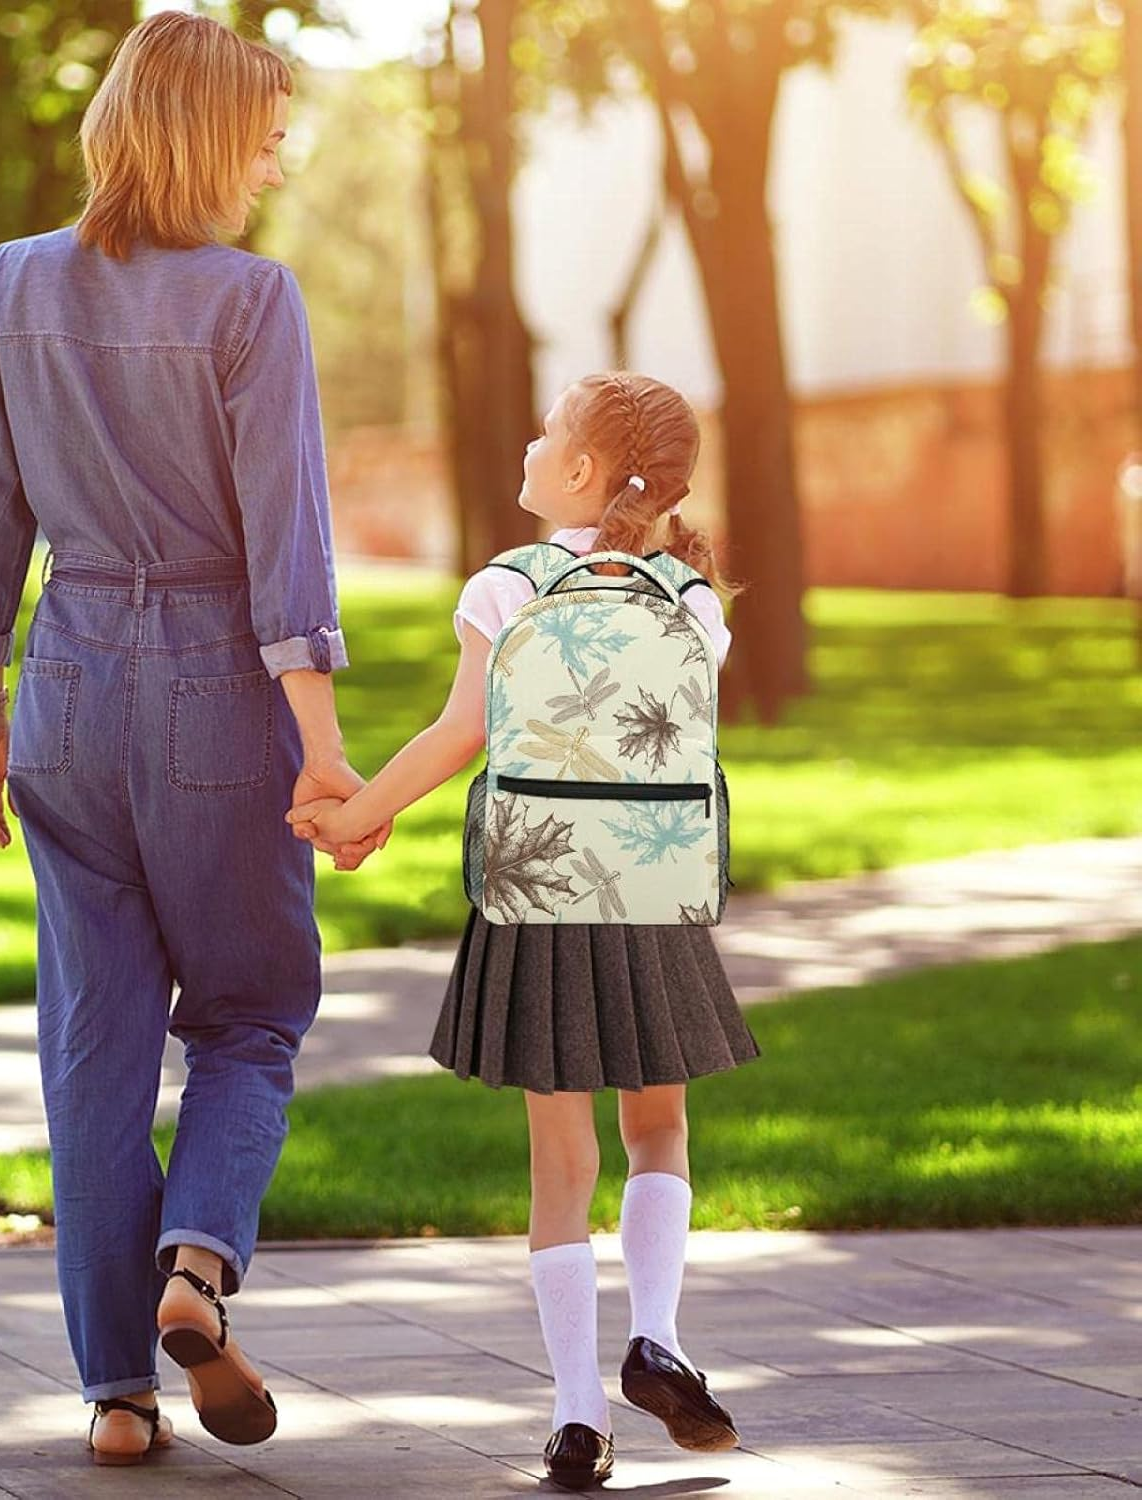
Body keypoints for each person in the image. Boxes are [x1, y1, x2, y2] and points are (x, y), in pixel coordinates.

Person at [0, 12, 386, 1467]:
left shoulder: (11, 284)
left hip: (64, 682)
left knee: (96, 1044)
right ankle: (198, 1268)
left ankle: (116, 1394)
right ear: (201, 135)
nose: (272, 157)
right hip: (215, 689)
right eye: (260, 132)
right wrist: (322, 749)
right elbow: (285, 548)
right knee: (252, 1014)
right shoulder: (254, 301)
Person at [288, 372, 760, 1491]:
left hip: (536, 889)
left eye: (547, 432)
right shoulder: (693, 595)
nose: (530, 443)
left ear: (584, 472)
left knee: (562, 1163)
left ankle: (577, 1416)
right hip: (653, 891)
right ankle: (660, 1335)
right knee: (659, 1131)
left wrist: (358, 815)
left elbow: (462, 731)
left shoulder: (508, 586)